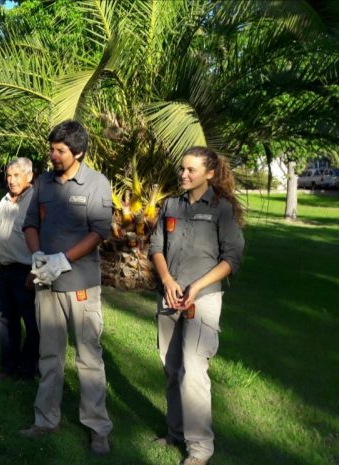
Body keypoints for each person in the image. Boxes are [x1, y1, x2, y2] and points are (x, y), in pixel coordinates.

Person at [19, 120, 113, 455]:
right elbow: (31, 224)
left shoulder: (96, 183)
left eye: (60, 150)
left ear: (78, 152)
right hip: (47, 284)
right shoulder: (43, 182)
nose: (53, 155)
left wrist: (63, 259)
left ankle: (97, 427)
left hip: (80, 284)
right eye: (52, 148)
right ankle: (46, 419)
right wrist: (39, 256)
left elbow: (100, 231)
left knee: (88, 357)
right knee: (50, 354)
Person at [149, 146, 245, 465]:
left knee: (193, 371)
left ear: (210, 173)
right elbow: (157, 247)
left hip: (202, 299)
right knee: (171, 368)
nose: (184, 174)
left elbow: (231, 259)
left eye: (191, 170)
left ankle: (200, 450)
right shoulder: (171, 205)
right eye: (182, 169)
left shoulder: (222, 209)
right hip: (170, 295)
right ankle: (175, 433)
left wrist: (196, 287)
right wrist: (167, 281)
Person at [0, 157, 39, 381]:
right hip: (4, 270)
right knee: (4, 320)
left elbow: (43, 237)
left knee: (32, 324)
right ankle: (9, 368)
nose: (11, 180)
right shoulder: (4, 201)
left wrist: (35, 270)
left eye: (16, 175)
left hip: (25, 271)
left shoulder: (35, 201)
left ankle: (28, 370)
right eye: (9, 175)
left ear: (29, 176)